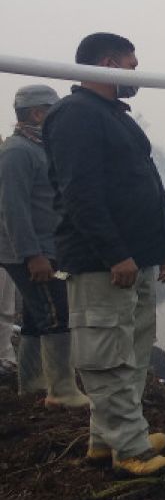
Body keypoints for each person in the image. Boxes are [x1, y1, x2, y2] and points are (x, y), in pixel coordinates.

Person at [42, 33, 165, 477]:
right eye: (131, 66)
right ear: (107, 62)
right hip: (104, 264)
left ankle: (110, 438)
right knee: (107, 356)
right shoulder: (75, 115)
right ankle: (130, 450)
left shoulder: (112, 116)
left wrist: (161, 249)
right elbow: (80, 193)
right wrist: (115, 253)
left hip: (136, 259)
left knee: (133, 352)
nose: (137, 74)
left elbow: (141, 185)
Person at [0, 85, 89, 407]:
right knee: (56, 314)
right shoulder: (17, 152)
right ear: (38, 114)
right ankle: (62, 390)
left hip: (46, 247)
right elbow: (13, 208)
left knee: (38, 318)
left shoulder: (40, 148)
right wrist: (32, 255)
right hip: (30, 251)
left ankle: (33, 383)